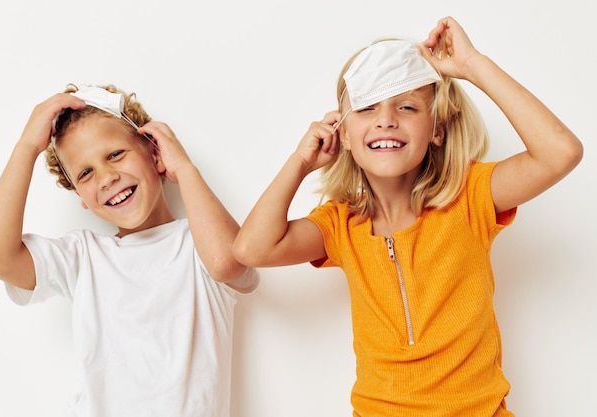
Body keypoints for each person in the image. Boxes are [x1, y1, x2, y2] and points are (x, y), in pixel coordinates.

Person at [233, 16, 582, 417]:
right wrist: (300, 161)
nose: (386, 119)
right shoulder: (339, 225)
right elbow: (251, 248)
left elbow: (560, 152)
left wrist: (472, 66)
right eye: (366, 107)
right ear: (343, 134)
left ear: (437, 128)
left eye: (407, 106)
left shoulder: (471, 197)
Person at [0, 84, 259, 417]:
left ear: (155, 154)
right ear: (80, 195)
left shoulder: (201, 242)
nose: (107, 177)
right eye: (85, 173)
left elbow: (228, 264)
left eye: (115, 154)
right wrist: (26, 146)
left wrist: (184, 168)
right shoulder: (82, 257)